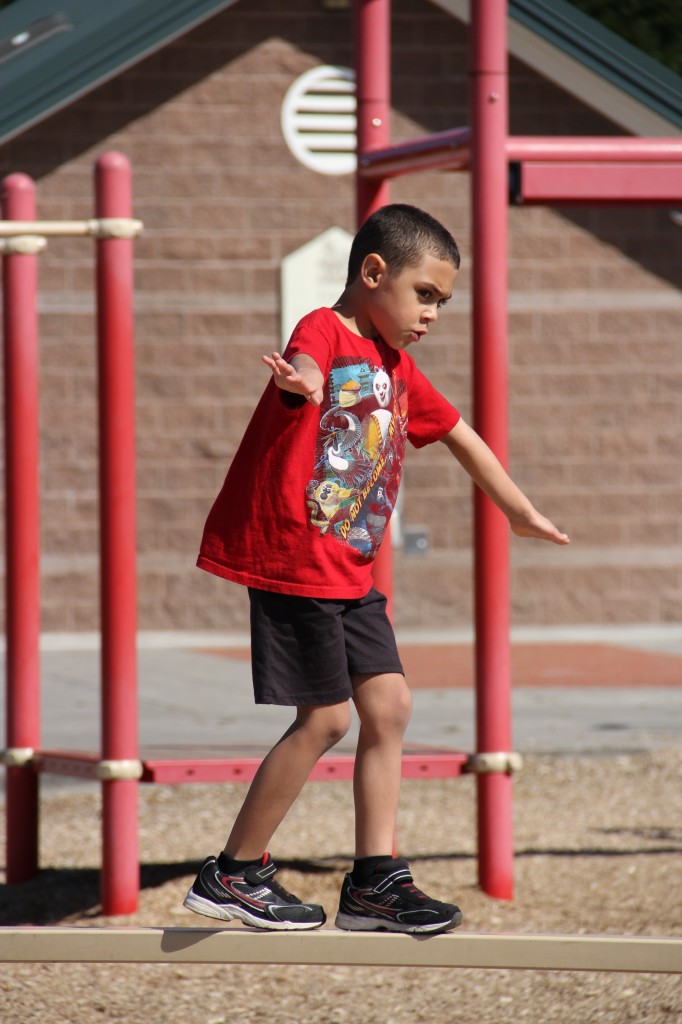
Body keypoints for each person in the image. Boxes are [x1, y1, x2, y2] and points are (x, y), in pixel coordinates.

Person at [183, 204, 569, 934]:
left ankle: (373, 884)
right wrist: (299, 382)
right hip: (297, 562)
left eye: (443, 303)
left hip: (350, 574)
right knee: (327, 717)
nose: (432, 314)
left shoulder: (399, 369)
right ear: (373, 273)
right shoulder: (325, 332)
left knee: (388, 707)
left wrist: (518, 510)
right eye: (425, 295)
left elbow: (461, 435)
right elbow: (304, 362)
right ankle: (233, 872)